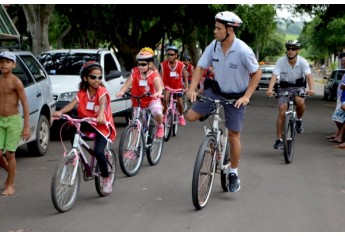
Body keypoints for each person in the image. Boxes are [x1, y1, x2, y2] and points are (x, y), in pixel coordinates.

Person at [186, 11, 262, 192]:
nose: (214, 31)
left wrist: (246, 97)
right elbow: (200, 67)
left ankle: (234, 172)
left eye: (218, 28)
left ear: (230, 29)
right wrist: (191, 89)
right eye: (215, 27)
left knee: (234, 136)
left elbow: (257, 73)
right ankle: (211, 120)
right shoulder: (213, 46)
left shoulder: (243, 50)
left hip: (235, 97)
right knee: (190, 116)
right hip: (216, 92)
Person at [52, 61, 116, 194]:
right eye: (93, 77)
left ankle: (106, 177)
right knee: (71, 127)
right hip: (86, 122)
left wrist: (100, 114)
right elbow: (71, 105)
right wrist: (60, 112)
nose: (97, 80)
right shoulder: (81, 93)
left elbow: (103, 103)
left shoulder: (102, 91)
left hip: (101, 125)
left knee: (98, 152)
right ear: (85, 78)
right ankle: (77, 153)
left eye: (100, 77)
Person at [266, 40, 315, 150]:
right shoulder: (280, 61)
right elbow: (274, 76)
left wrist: (311, 89)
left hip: (298, 87)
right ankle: (279, 140)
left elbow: (309, 76)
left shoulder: (303, 62)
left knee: (300, 101)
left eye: (293, 49)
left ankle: (299, 120)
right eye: (288, 48)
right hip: (284, 88)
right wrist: (269, 89)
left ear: (298, 51)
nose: (290, 51)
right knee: (282, 110)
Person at [0, 51, 30, 196]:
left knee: (10, 154)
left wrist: (26, 127)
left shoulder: (16, 81)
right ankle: (11, 171)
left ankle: (10, 184)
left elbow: (24, 103)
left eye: (7, 61)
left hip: (13, 120)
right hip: (0, 120)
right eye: (2, 61)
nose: (4, 64)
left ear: (13, 64)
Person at [116, 47, 164, 138]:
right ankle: (132, 148)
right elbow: (127, 84)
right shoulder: (134, 73)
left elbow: (159, 87)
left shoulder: (154, 74)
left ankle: (160, 126)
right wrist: (121, 91)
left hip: (151, 99)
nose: (140, 67)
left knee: (157, 112)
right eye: (139, 64)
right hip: (137, 101)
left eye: (143, 64)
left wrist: (158, 92)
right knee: (135, 124)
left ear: (150, 64)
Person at [160, 45, 188, 126]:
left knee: (180, 103)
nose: (170, 56)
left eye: (172, 54)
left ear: (176, 55)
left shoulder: (181, 65)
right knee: (165, 100)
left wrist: (186, 87)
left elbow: (185, 76)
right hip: (167, 86)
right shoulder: (163, 64)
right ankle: (164, 115)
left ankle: (181, 116)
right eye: (168, 54)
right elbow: (160, 76)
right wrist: (159, 87)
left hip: (178, 87)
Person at [328, 53, 345, 148]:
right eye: (342, 60)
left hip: (343, 99)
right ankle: (339, 135)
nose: (342, 62)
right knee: (338, 118)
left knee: (337, 117)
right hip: (341, 98)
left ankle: (340, 136)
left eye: (344, 61)